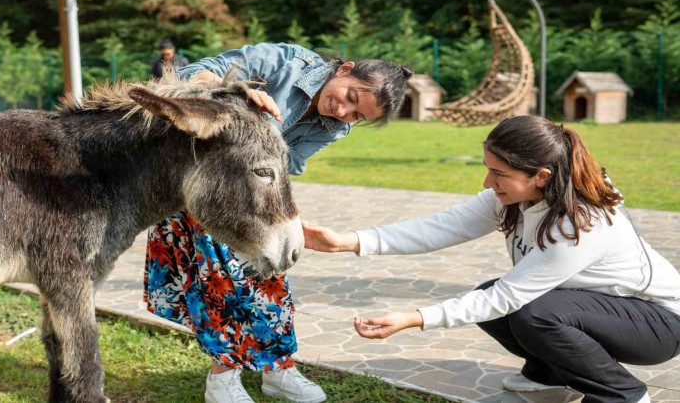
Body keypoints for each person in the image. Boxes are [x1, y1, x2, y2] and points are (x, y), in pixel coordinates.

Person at [303, 115, 680, 403]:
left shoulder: (580, 224)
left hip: (658, 324)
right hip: (604, 312)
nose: (487, 183)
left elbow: (507, 297)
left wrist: (414, 318)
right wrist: (347, 242)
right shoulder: (516, 198)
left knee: (528, 311)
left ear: (541, 176)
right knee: (505, 305)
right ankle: (549, 382)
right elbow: (440, 227)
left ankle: (624, 395)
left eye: (499, 173)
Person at [143, 42, 412, 403]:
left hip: (247, 202)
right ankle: (222, 379)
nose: (343, 110)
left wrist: (288, 221)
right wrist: (238, 92)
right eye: (349, 95)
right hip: (198, 185)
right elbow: (189, 76)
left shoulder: (333, 128)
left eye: (356, 115)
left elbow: (282, 172)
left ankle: (277, 369)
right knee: (224, 283)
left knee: (271, 277)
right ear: (345, 68)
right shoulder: (284, 62)